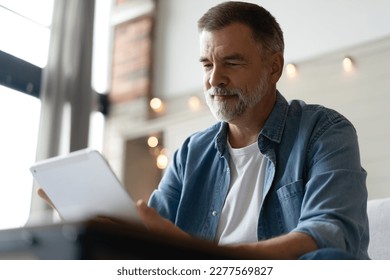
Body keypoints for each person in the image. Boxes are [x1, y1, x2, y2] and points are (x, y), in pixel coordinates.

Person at [39, 1, 369, 260]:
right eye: (207, 65)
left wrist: (215, 260)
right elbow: (152, 241)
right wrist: (102, 224)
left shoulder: (324, 132)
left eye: (232, 63)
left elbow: (329, 233)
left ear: (274, 67)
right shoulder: (190, 153)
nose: (214, 80)